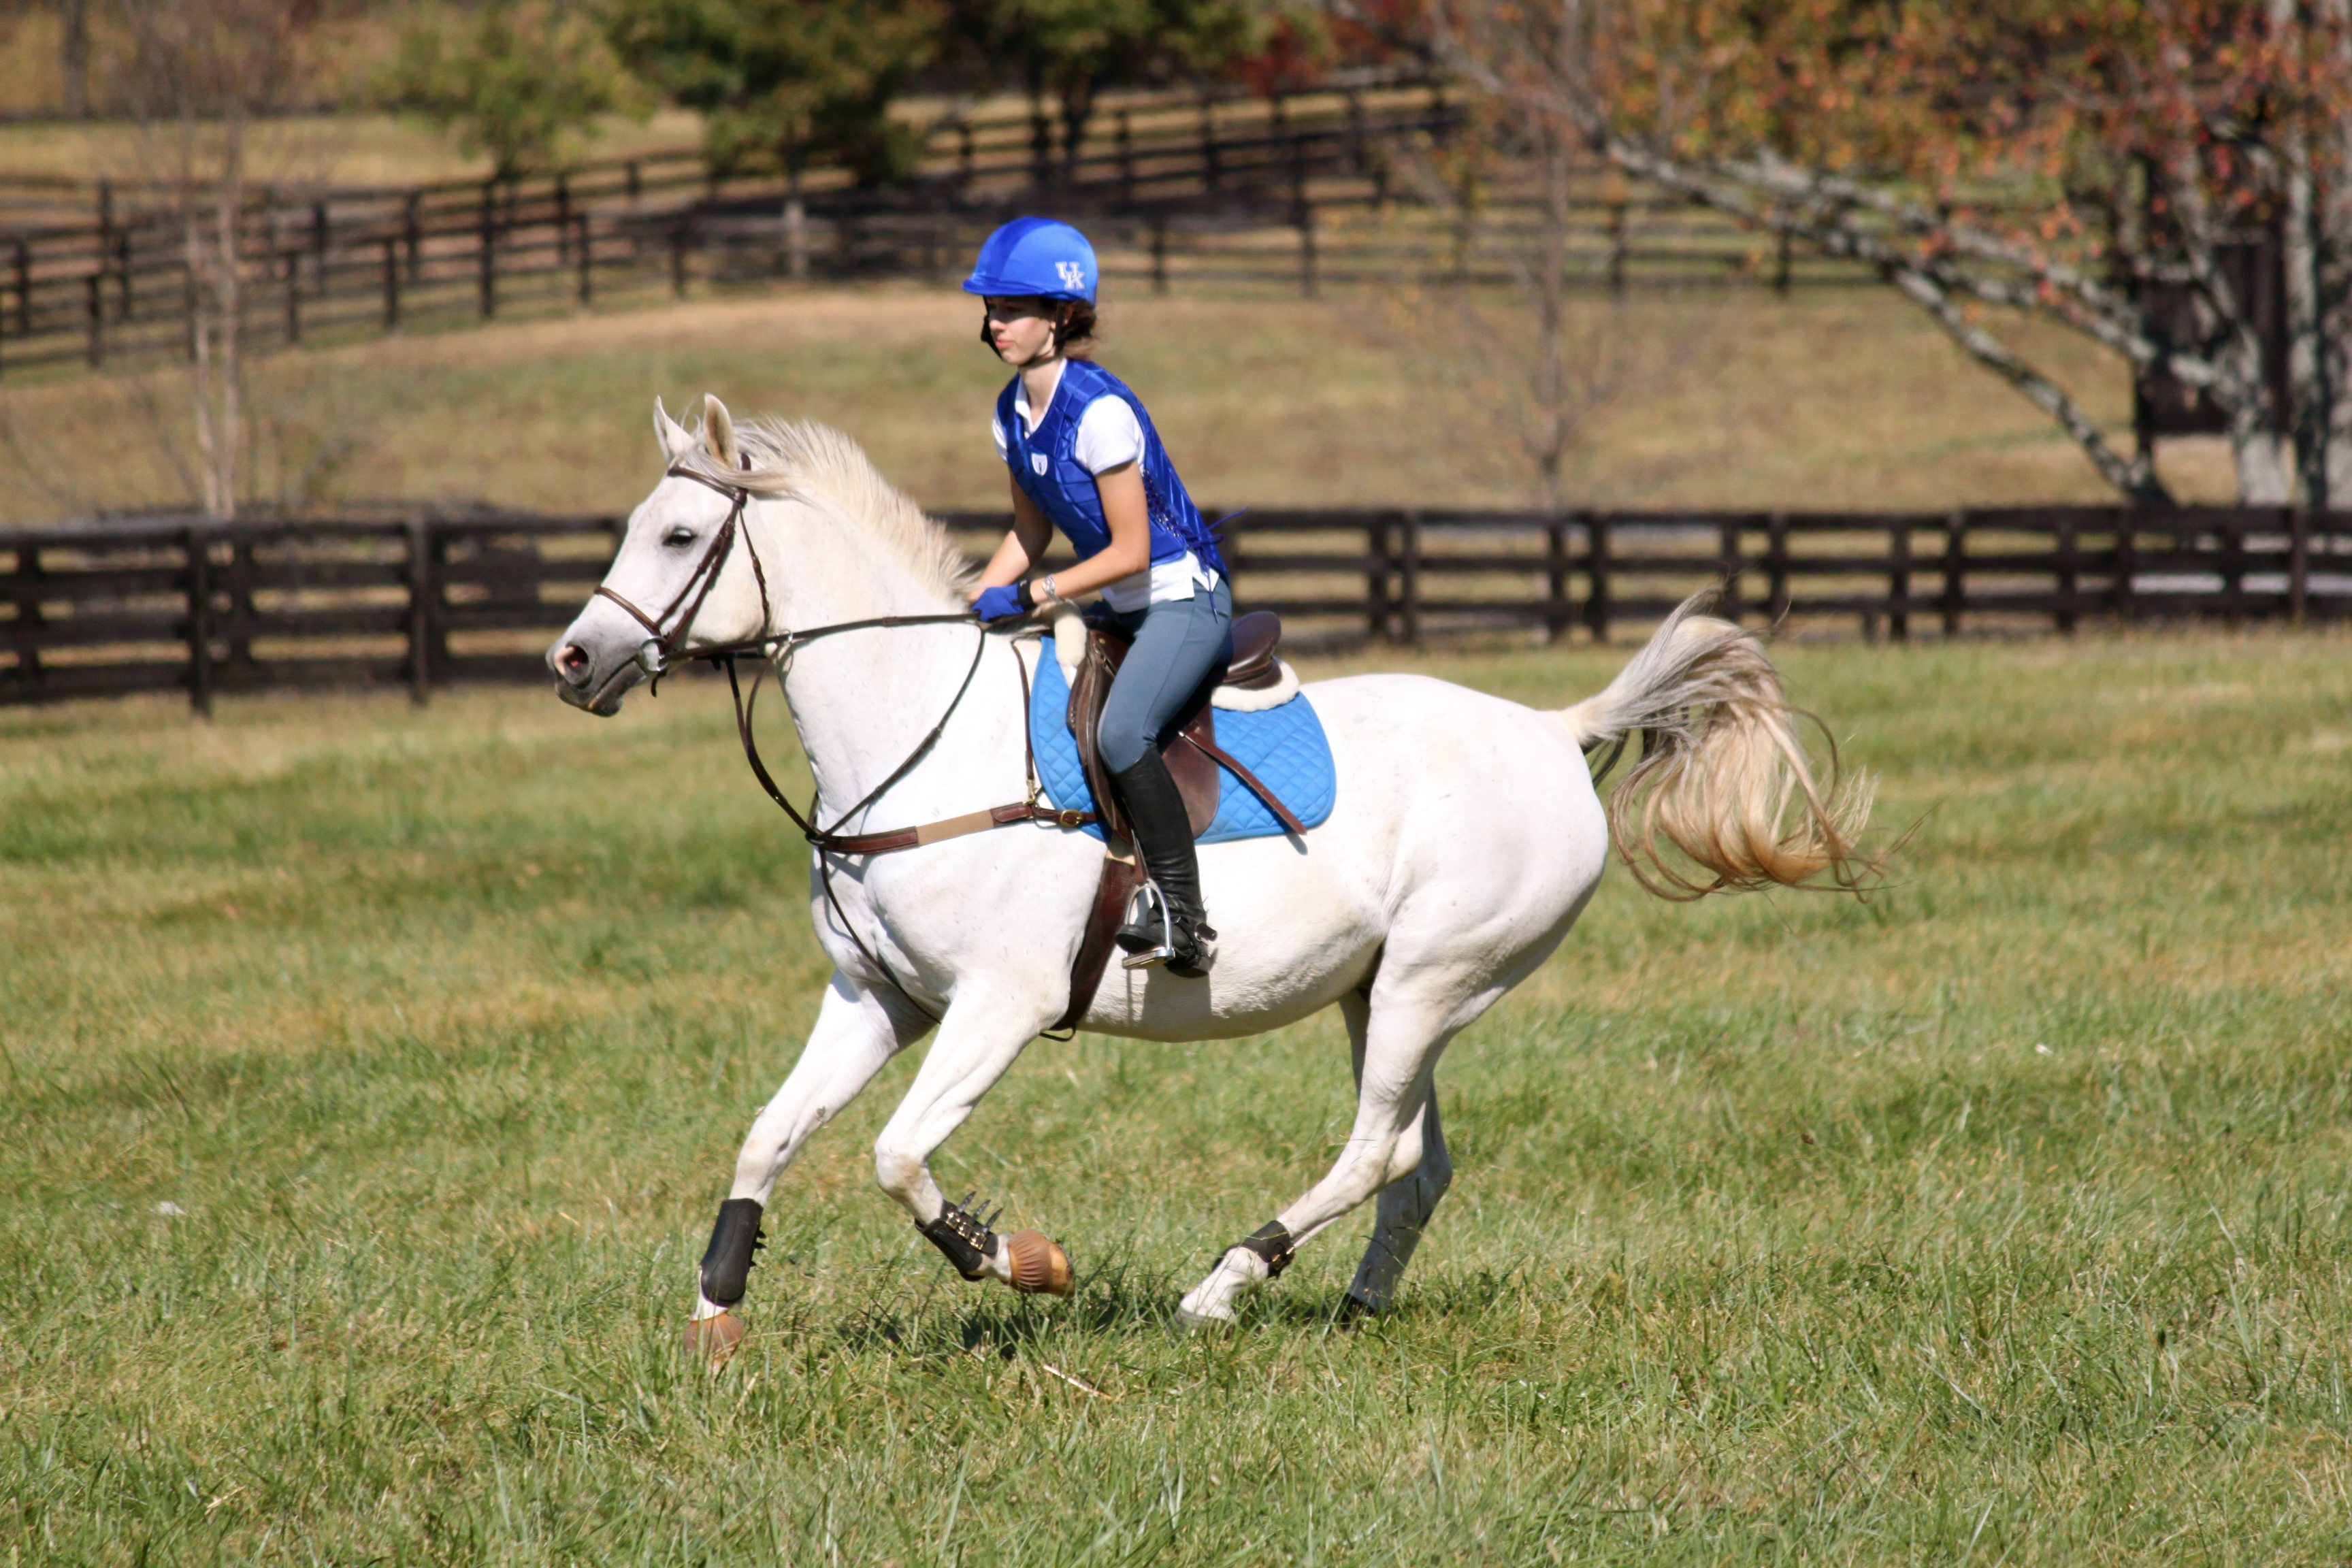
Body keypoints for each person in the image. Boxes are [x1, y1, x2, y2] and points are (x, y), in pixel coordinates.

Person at [962, 217, 1231, 978]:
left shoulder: (1100, 413)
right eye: (991, 308)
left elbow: (1130, 551)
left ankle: (1187, 921)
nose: (996, 322)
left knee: (1119, 737)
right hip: (1119, 605)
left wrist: (1036, 593)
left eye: (1012, 308)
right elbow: (1027, 532)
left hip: (1182, 600)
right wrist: (976, 597)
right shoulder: (1009, 413)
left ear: (1063, 317)